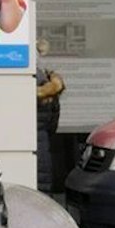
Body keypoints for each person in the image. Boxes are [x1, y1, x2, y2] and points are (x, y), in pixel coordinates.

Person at [36, 44, 66, 194]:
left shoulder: (28, 81)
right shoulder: (47, 82)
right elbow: (52, 124)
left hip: (32, 141)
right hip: (42, 141)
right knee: (42, 185)